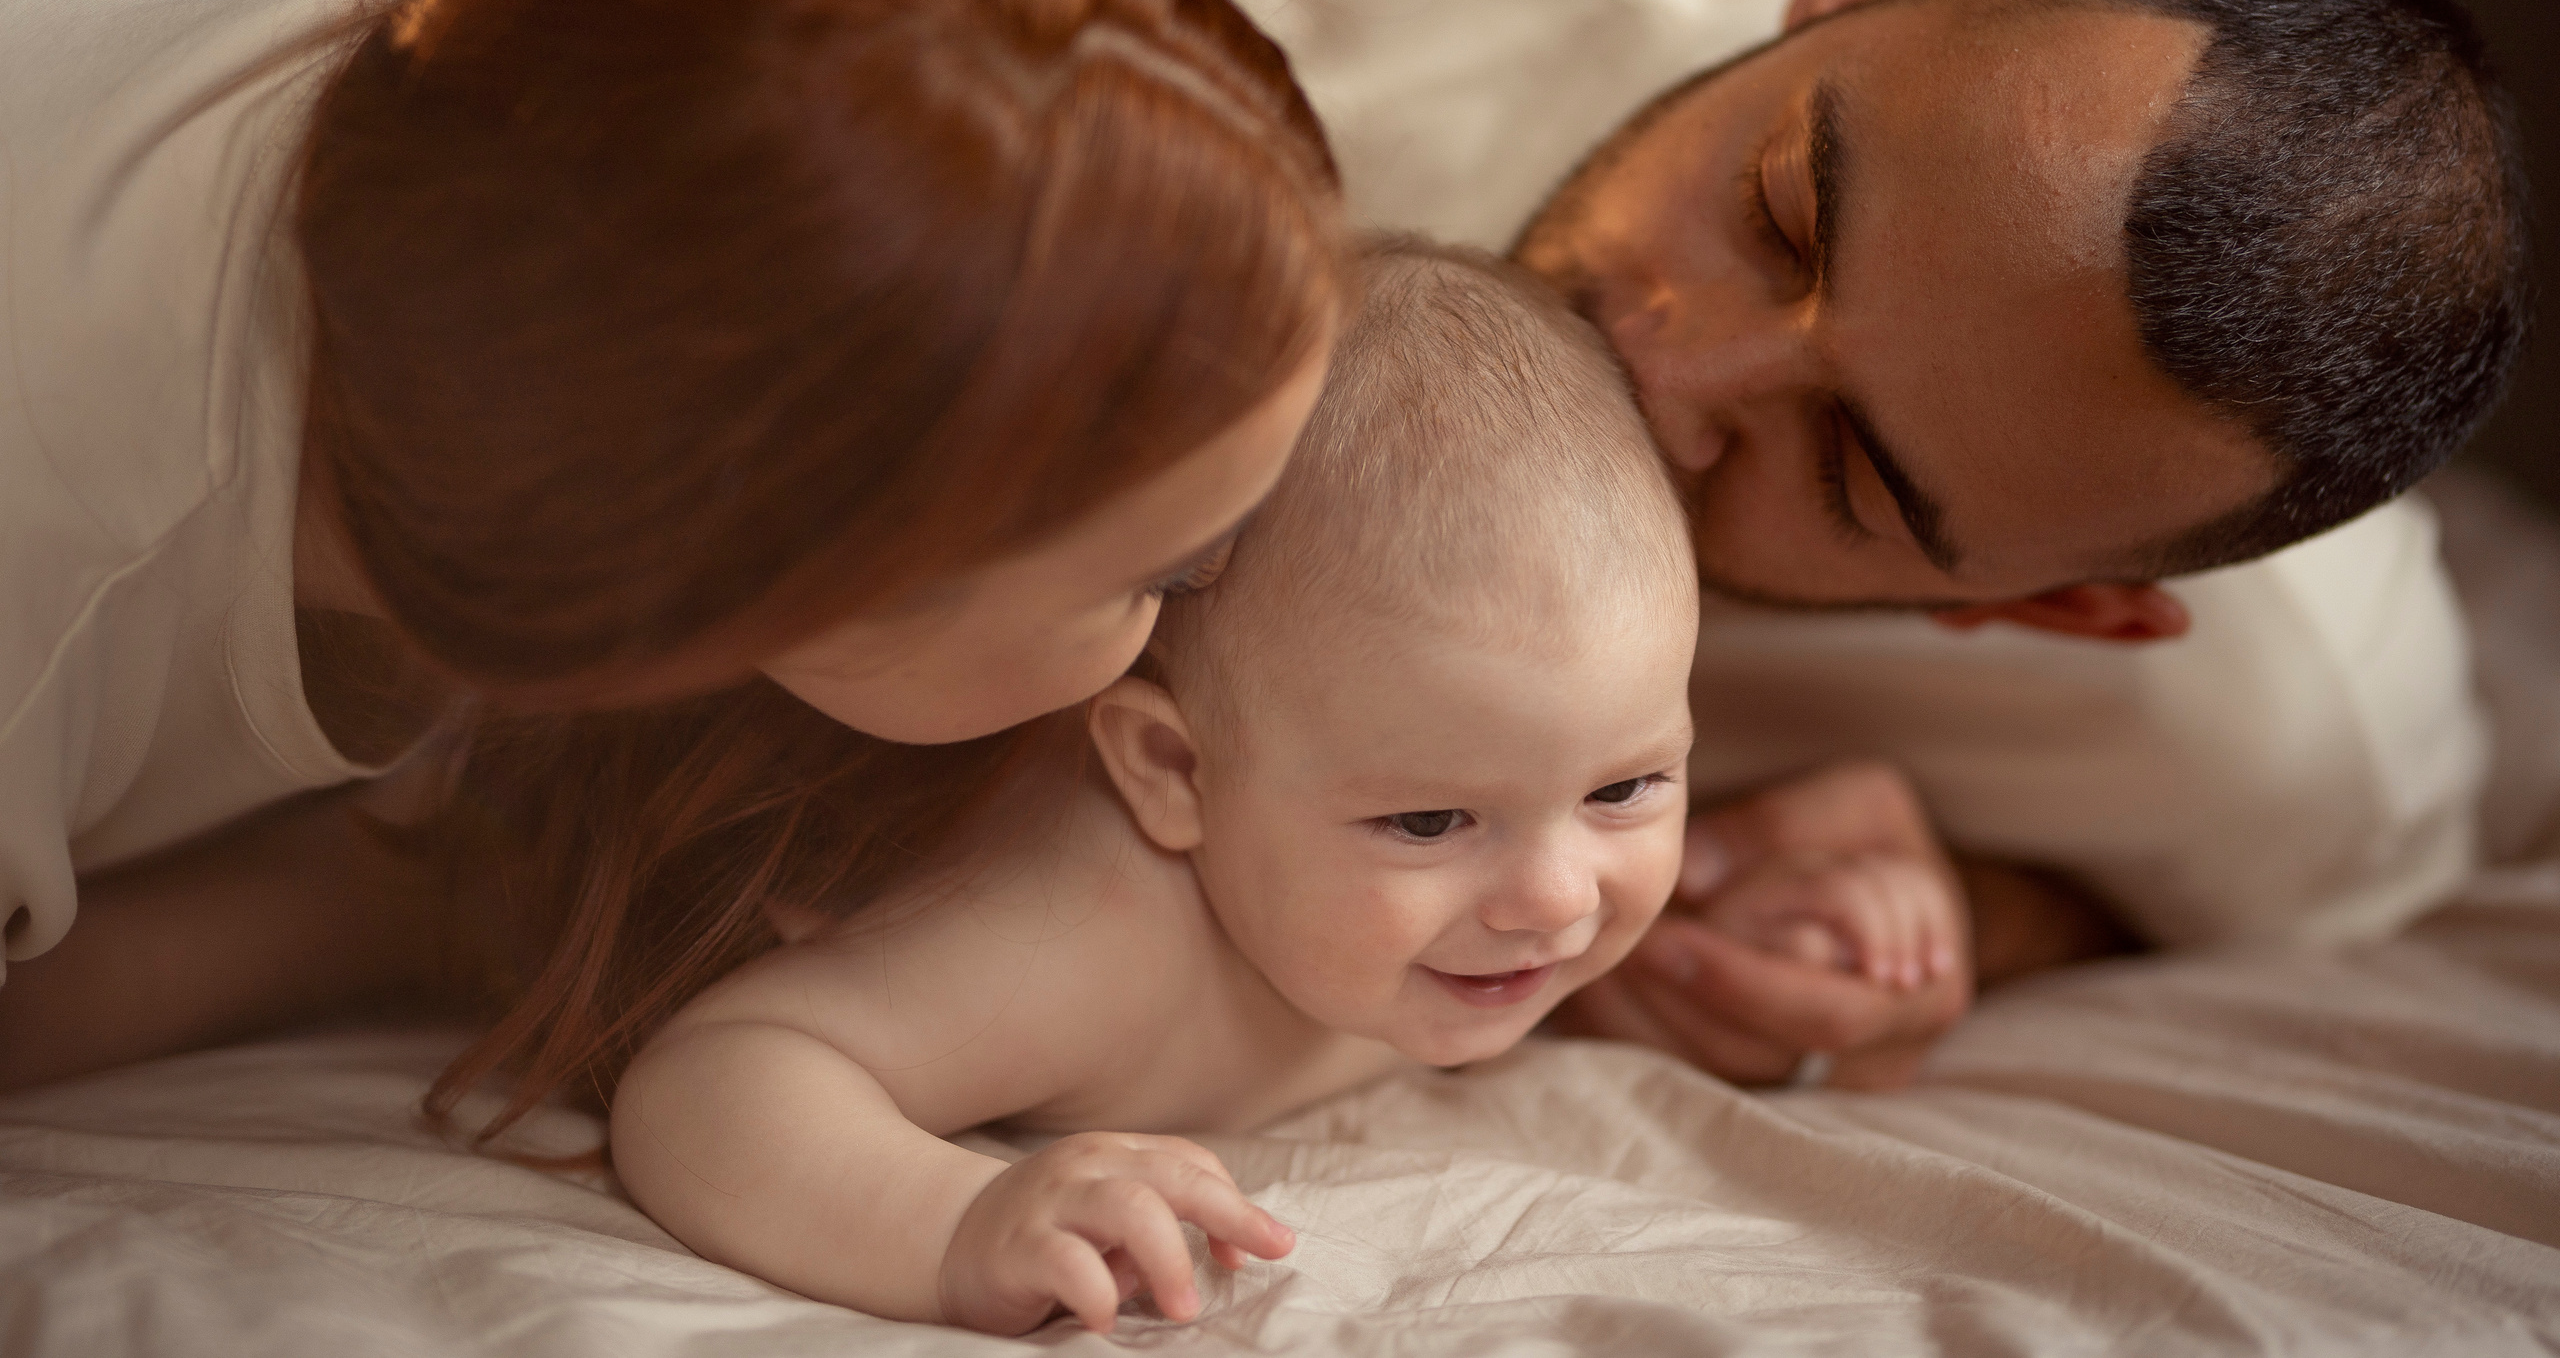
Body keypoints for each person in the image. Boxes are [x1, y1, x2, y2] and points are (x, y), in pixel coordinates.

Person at [801, 0, 2535, 1085]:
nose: (1661, 353)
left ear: (2056, 611)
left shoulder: (2296, 727)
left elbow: (2307, 881)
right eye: (1781, 212)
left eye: (1850, 470)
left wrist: (1975, 910)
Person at [0, 0, 1347, 1087]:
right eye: (1164, 576)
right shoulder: (52, 548)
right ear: (805, 571)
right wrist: (384, 899)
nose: (1230, 584)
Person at [592, 241, 1966, 1333]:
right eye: (1429, 820)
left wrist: (1810, 926)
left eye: (1627, 787)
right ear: (1173, 771)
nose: (1559, 896)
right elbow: (717, 1079)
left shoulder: (1467, 877)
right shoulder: (1092, 933)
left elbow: (1646, 936)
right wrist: (955, 1223)